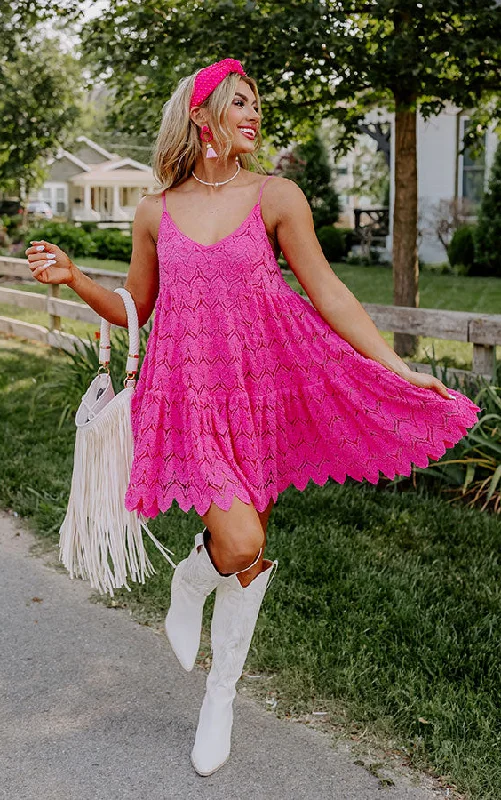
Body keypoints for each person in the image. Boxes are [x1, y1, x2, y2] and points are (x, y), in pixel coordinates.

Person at [25, 57, 480, 777]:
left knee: (251, 547)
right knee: (237, 541)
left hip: (264, 391)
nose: (253, 114)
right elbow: (134, 312)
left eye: (257, 104)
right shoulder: (155, 210)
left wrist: (394, 366)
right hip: (190, 396)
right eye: (239, 103)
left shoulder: (277, 196)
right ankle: (191, 580)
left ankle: (220, 694)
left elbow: (326, 290)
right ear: (201, 117)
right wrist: (76, 277)